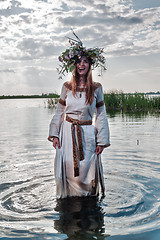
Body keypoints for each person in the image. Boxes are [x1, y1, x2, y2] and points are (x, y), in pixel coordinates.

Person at [48, 33, 110, 198]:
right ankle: (70, 205)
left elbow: (101, 114)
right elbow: (59, 111)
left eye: (86, 61)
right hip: (67, 133)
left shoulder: (96, 88)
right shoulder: (67, 86)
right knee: (68, 171)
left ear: (90, 65)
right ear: (74, 65)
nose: (82, 64)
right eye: (79, 61)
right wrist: (55, 134)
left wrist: (102, 141)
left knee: (85, 174)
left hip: (88, 133)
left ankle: (86, 205)